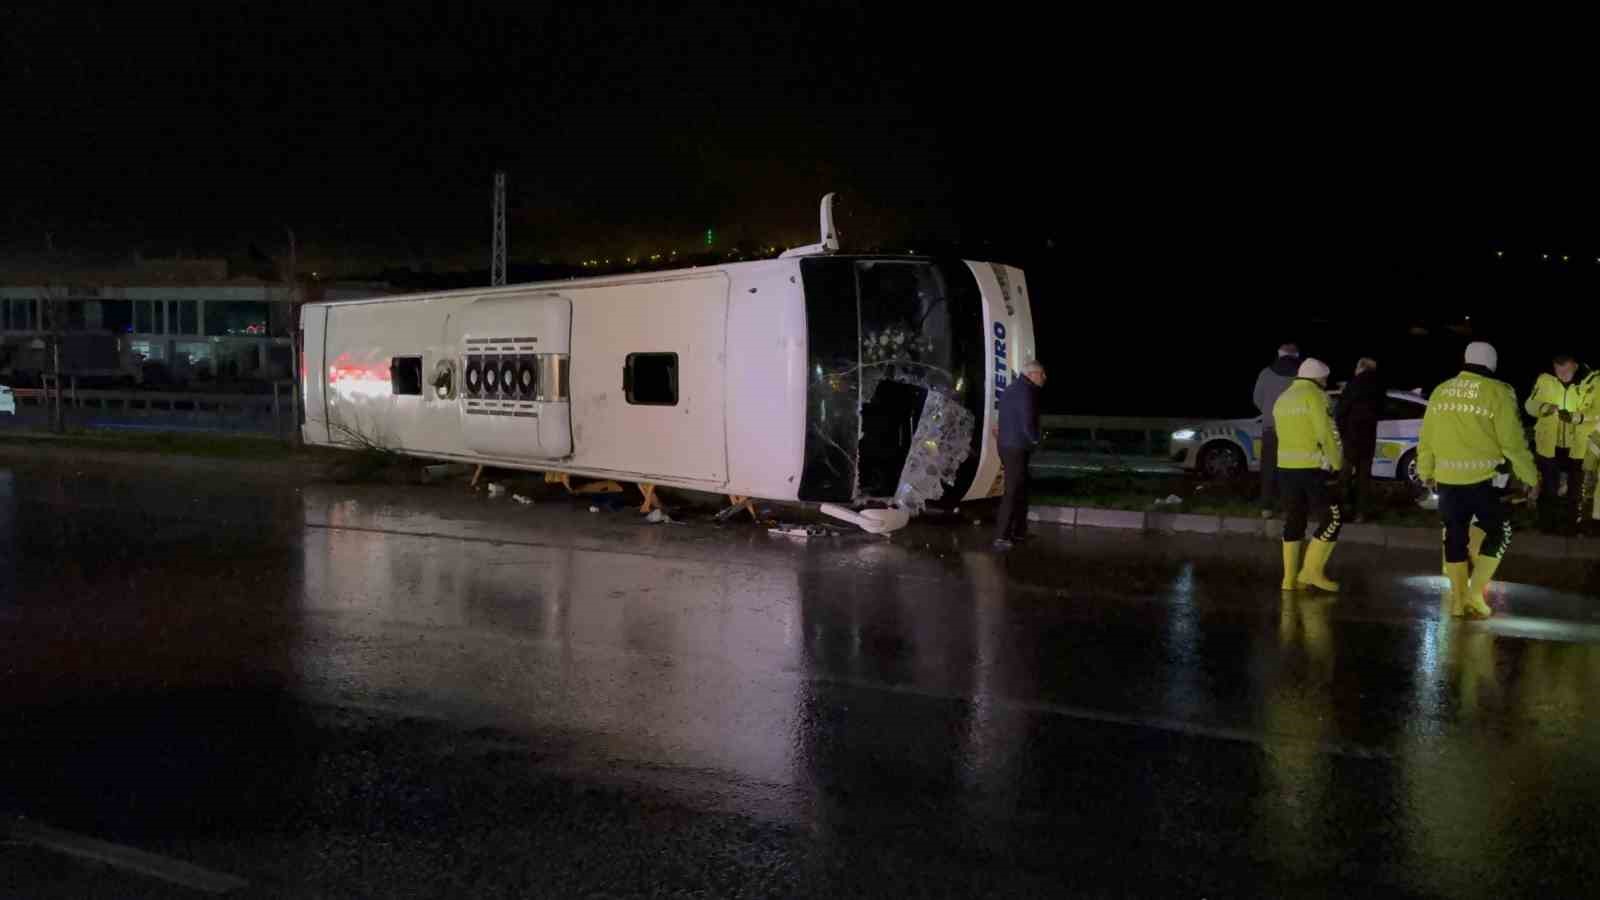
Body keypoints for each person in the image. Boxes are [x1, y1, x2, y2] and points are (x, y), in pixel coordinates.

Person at [1419, 342, 1539, 619]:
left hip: (1447, 480)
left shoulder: (1441, 390)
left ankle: (1458, 602)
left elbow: (1426, 438)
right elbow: (1513, 444)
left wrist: (1426, 472)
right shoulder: (1497, 392)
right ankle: (1475, 594)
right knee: (1500, 531)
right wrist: (1530, 477)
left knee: (1454, 537)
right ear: (1492, 363)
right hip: (1481, 481)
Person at [1273, 358, 1344, 592]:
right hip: (1313, 468)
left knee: (1294, 520)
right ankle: (1311, 572)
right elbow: (1326, 432)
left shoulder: (1282, 399)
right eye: (1324, 378)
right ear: (1317, 378)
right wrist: (1336, 461)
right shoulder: (1316, 396)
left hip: (1285, 468)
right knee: (1332, 518)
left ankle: (1288, 580)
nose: (1325, 382)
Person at [1525, 354, 1595, 534]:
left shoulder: (1591, 383)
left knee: (1576, 490)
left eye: (1566, 370)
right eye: (1558, 370)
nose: (1562, 375)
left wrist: (1576, 417)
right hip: (1549, 444)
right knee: (1549, 489)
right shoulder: (1544, 380)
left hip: (1578, 446)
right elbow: (1529, 404)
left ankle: (1573, 526)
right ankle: (1547, 526)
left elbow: (1596, 411)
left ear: (1576, 365)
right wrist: (1543, 408)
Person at [993, 360, 1046, 550]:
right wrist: (1035, 441)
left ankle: (1019, 531)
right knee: (1013, 491)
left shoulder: (1012, 389)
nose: (1044, 378)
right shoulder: (1026, 392)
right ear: (1032, 374)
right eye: (1042, 374)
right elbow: (1026, 422)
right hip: (1016, 447)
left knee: (1021, 488)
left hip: (1007, 445)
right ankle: (1001, 537)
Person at [1253, 343, 1301, 517]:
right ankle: (1286, 508)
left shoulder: (1266, 373)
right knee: (1290, 470)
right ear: (1296, 356)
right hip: (1294, 431)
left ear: (1279, 354)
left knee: (1268, 469)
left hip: (1270, 428)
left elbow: (1257, 399)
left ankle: (1266, 507)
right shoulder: (1302, 375)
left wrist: (1269, 411)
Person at [1335, 357, 1382, 522]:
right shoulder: (1379, 386)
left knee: (1345, 476)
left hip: (1352, 437)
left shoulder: (1353, 384)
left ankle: (1343, 510)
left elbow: (1340, 411)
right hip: (1368, 438)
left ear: (1361, 367)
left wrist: (1343, 433)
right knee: (1364, 478)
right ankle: (1361, 513)